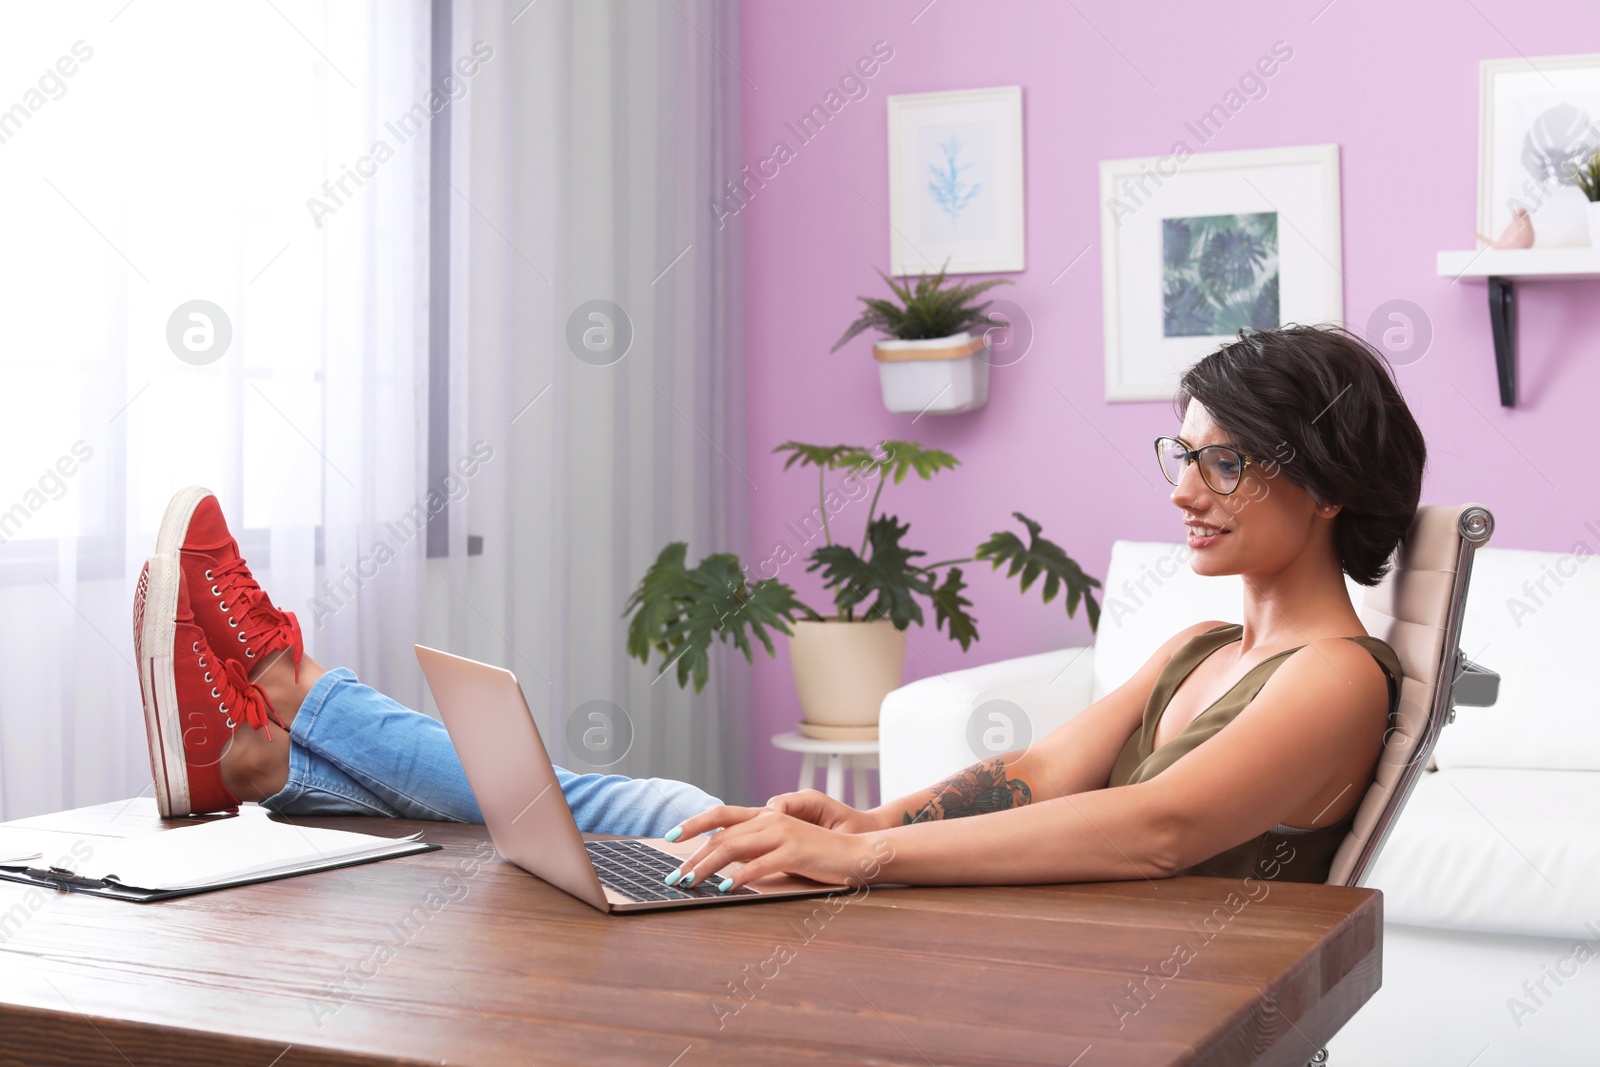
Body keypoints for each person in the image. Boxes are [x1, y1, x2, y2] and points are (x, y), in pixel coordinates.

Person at [663, 324, 1422, 893]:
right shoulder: (1201, 645)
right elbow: (1044, 767)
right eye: (1185, 456)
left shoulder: (1338, 675)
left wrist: (867, 857)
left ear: (1327, 489)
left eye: (1226, 463)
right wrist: (868, 821)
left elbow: (1160, 828)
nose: (1183, 492)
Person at [133, 489, 717, 839]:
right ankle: (254, 755)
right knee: (584, 812)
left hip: (768, 862)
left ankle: (272, 718)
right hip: (755, 836)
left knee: (568, 809)